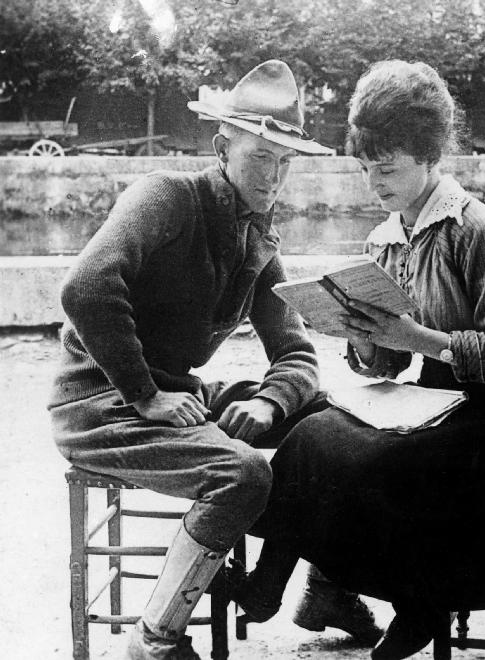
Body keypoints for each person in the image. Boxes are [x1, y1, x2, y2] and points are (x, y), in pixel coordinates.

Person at [229, 60, 485, 660]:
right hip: (436, 400)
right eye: (365, 167)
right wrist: (360, 336)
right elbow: (383, 363)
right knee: (311, 433)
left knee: (387, 467)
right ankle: (271, 585)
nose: (374, 182)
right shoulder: (385, 238)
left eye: (388, 168)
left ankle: (419, 606)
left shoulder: (477, 230)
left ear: (431, 156)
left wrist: (414, 338)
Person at [48, 60, 379, 660]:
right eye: (260, 158)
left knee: (335, 427)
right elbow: (87, 288)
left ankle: (327, 588)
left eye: (285, 163)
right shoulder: (165, 197)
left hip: (178, 395)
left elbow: (298, 353)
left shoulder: (257, 241)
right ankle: (155, 641)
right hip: (100, 406)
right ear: (222, 146)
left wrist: (268, 400)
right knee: (243, 472)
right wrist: (146, 394)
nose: (273, 177)